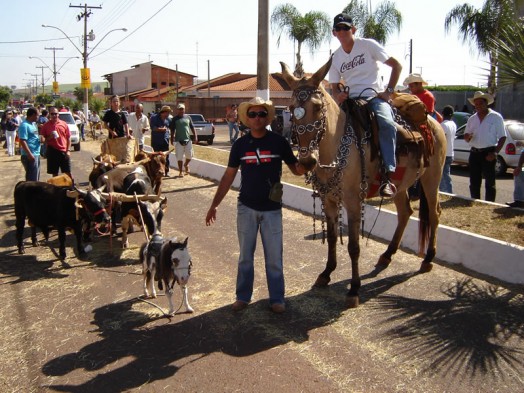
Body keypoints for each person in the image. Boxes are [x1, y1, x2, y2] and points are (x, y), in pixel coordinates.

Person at [205, 97, 306, 314]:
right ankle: (243, 297)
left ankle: (277, 298)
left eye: (261, 114)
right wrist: (215, 205)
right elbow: (228, 177)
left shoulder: (279, 142)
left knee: (274, 258)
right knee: (245, 257)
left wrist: (309, 163)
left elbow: (297, 170)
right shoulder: (240, 145)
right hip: (246, 208)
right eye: (253, 114)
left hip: (272, 210)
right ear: (247, 119)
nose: (257, 118)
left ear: (267, 118)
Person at [328, 13, 402, 197]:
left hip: (373, 97)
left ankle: (387, 174)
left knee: (386, 124)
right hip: (350, 100)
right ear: (334, 33)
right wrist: (339, 95)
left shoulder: (368, 45)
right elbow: (334, 86)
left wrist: (389, 91)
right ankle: (328, 175)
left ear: (353, 29)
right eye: (338, 29)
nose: (342, 31)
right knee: (328, 129)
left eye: (346, 28)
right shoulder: (335, 57)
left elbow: (397, 66)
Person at [464, 91, 506, 202]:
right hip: (474, 153)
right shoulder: (472, 119)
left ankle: (489, 203)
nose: (478, 106)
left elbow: (502, 137)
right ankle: (475, 201)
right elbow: (466, 135)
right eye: (476, 104)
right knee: (474, 181)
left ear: (486, 103)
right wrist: (467, 137)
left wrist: (495, 153)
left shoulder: (496, 117)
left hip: (489, 152)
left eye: (480, 103)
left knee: (490, 182)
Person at [40, 106, 73, 180]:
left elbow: (68, 138)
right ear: (49, 115)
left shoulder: (63, 124)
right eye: (52, 114)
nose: (54, 115)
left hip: (63, 151)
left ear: (58, 114)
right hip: (52, 151)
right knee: (55, 174)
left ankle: (71, 188)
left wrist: (68, 150)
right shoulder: (46, 126)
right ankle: (56, 189)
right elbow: (43, 140)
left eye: (55, 113)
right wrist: (49, 137)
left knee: (67, 172)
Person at [170, 103, 197, 177]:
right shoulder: (175, 119)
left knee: (190, 156)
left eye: (182, 109)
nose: (181, 110)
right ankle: (181, 171)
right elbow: (172, 130)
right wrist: (172, 139)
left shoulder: (188, 117)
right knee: (179, 157)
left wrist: (195, 136)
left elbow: (192, 127)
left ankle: (186, 164)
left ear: (184, 109)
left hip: (188, 139)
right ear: (177, 110)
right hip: (178, 141)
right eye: (180, 109)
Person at [18, 107, 41, 181]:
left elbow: (34, 136)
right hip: (29, 155)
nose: (38, 117)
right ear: (33, 115)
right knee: (32, 179)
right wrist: (29, 154)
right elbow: (22, 140)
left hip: (36, 153)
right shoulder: (24, 125)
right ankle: (31, 193)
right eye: (37, 115)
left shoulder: (33, 124)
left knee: (36, 177)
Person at [150, 105, 173, 176]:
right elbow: (153, 128)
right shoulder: (154, 118)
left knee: (166, 156)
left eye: (169, 113)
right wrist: (160, 129)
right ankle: (156, 171)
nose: (168, 114)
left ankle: (166, 171)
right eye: (167, 113)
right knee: (156, 157)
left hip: (165, 140)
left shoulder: (168, 119)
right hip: (156, 140)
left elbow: (170, 128)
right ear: (163, 112)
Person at [439, 105, 457, 193]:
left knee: (443, 176)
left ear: (442, 114)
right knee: (446, 174)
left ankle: (446, 192)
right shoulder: (453, 124)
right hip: (450, 153)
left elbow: (441, 139)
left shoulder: (443, 125)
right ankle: (447, 191)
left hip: (444, 153)